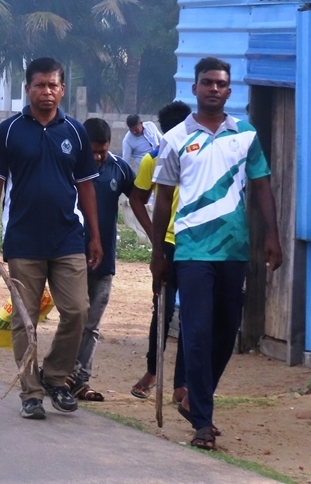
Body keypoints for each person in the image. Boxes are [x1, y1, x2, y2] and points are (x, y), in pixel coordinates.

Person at [150, 57, 281, 450]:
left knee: (226, 333)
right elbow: (163, 199)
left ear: (229, 91)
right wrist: (159, 252)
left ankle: (195, 398)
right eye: (206, 82)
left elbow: (261, 187)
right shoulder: (175, 139)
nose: (213, 89)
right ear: (194, 88)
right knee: (196, 332)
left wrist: (272, 236)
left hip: (235, 248)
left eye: (220, 84)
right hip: (191, 249)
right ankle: (202, 422)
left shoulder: (245, 135)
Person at [0, 56, 102, 420]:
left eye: (53, 85)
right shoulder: (9, 130)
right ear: (28, 88)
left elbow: (86, 189)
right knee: (25, 319)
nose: (46, 92)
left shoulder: (76, 132)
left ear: (62, 90)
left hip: (68, 239)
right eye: (39, 85)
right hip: (23, 239)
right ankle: (31, 393)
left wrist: (95, 236)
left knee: (78, 311)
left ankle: (55, 377)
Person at [128, 100, 192, 404]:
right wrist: (154, 235)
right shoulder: (152, 159)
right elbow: (137, 198)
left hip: (195, 244)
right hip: (166, 245)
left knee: (193, 313)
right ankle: (153, 372)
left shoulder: (201, 156)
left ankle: (182, 383)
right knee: (163, 310)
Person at [68, 117, 135, 402]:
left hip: (104, 261)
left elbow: (139, 199)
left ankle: (80, 380)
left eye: (102, 152)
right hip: (69, 257)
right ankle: (62, 374)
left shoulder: (119, 168)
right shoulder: (68, 165)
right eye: (93, 151)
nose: (97, 157)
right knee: (73, 319)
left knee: (92, 324)